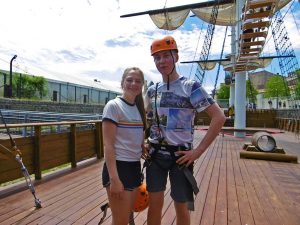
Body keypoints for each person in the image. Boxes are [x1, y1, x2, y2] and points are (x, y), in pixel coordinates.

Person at [144, 36, 226, 225]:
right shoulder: (152, 90)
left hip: (180, 156)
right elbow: (145, 119)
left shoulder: (190, 87)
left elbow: (219, 117)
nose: (161, 61)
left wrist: (198, 151)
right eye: (157, 58)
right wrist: (143, 141)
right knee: (154, 204)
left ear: (176, 57)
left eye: (166, 56)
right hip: (155, 155)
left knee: (181, 206)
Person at [101, 67, 147, 225]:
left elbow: (135, 134)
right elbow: (108, 145)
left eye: (138, 81)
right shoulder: (113, 106)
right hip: (118, 168)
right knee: (121, 221)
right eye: (129, 80)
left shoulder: (137, 109)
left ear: (141, 86)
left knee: (124, 217)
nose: (133, 83)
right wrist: (114, 179)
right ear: (122, 83)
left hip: (134, 167)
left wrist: (142, 146)